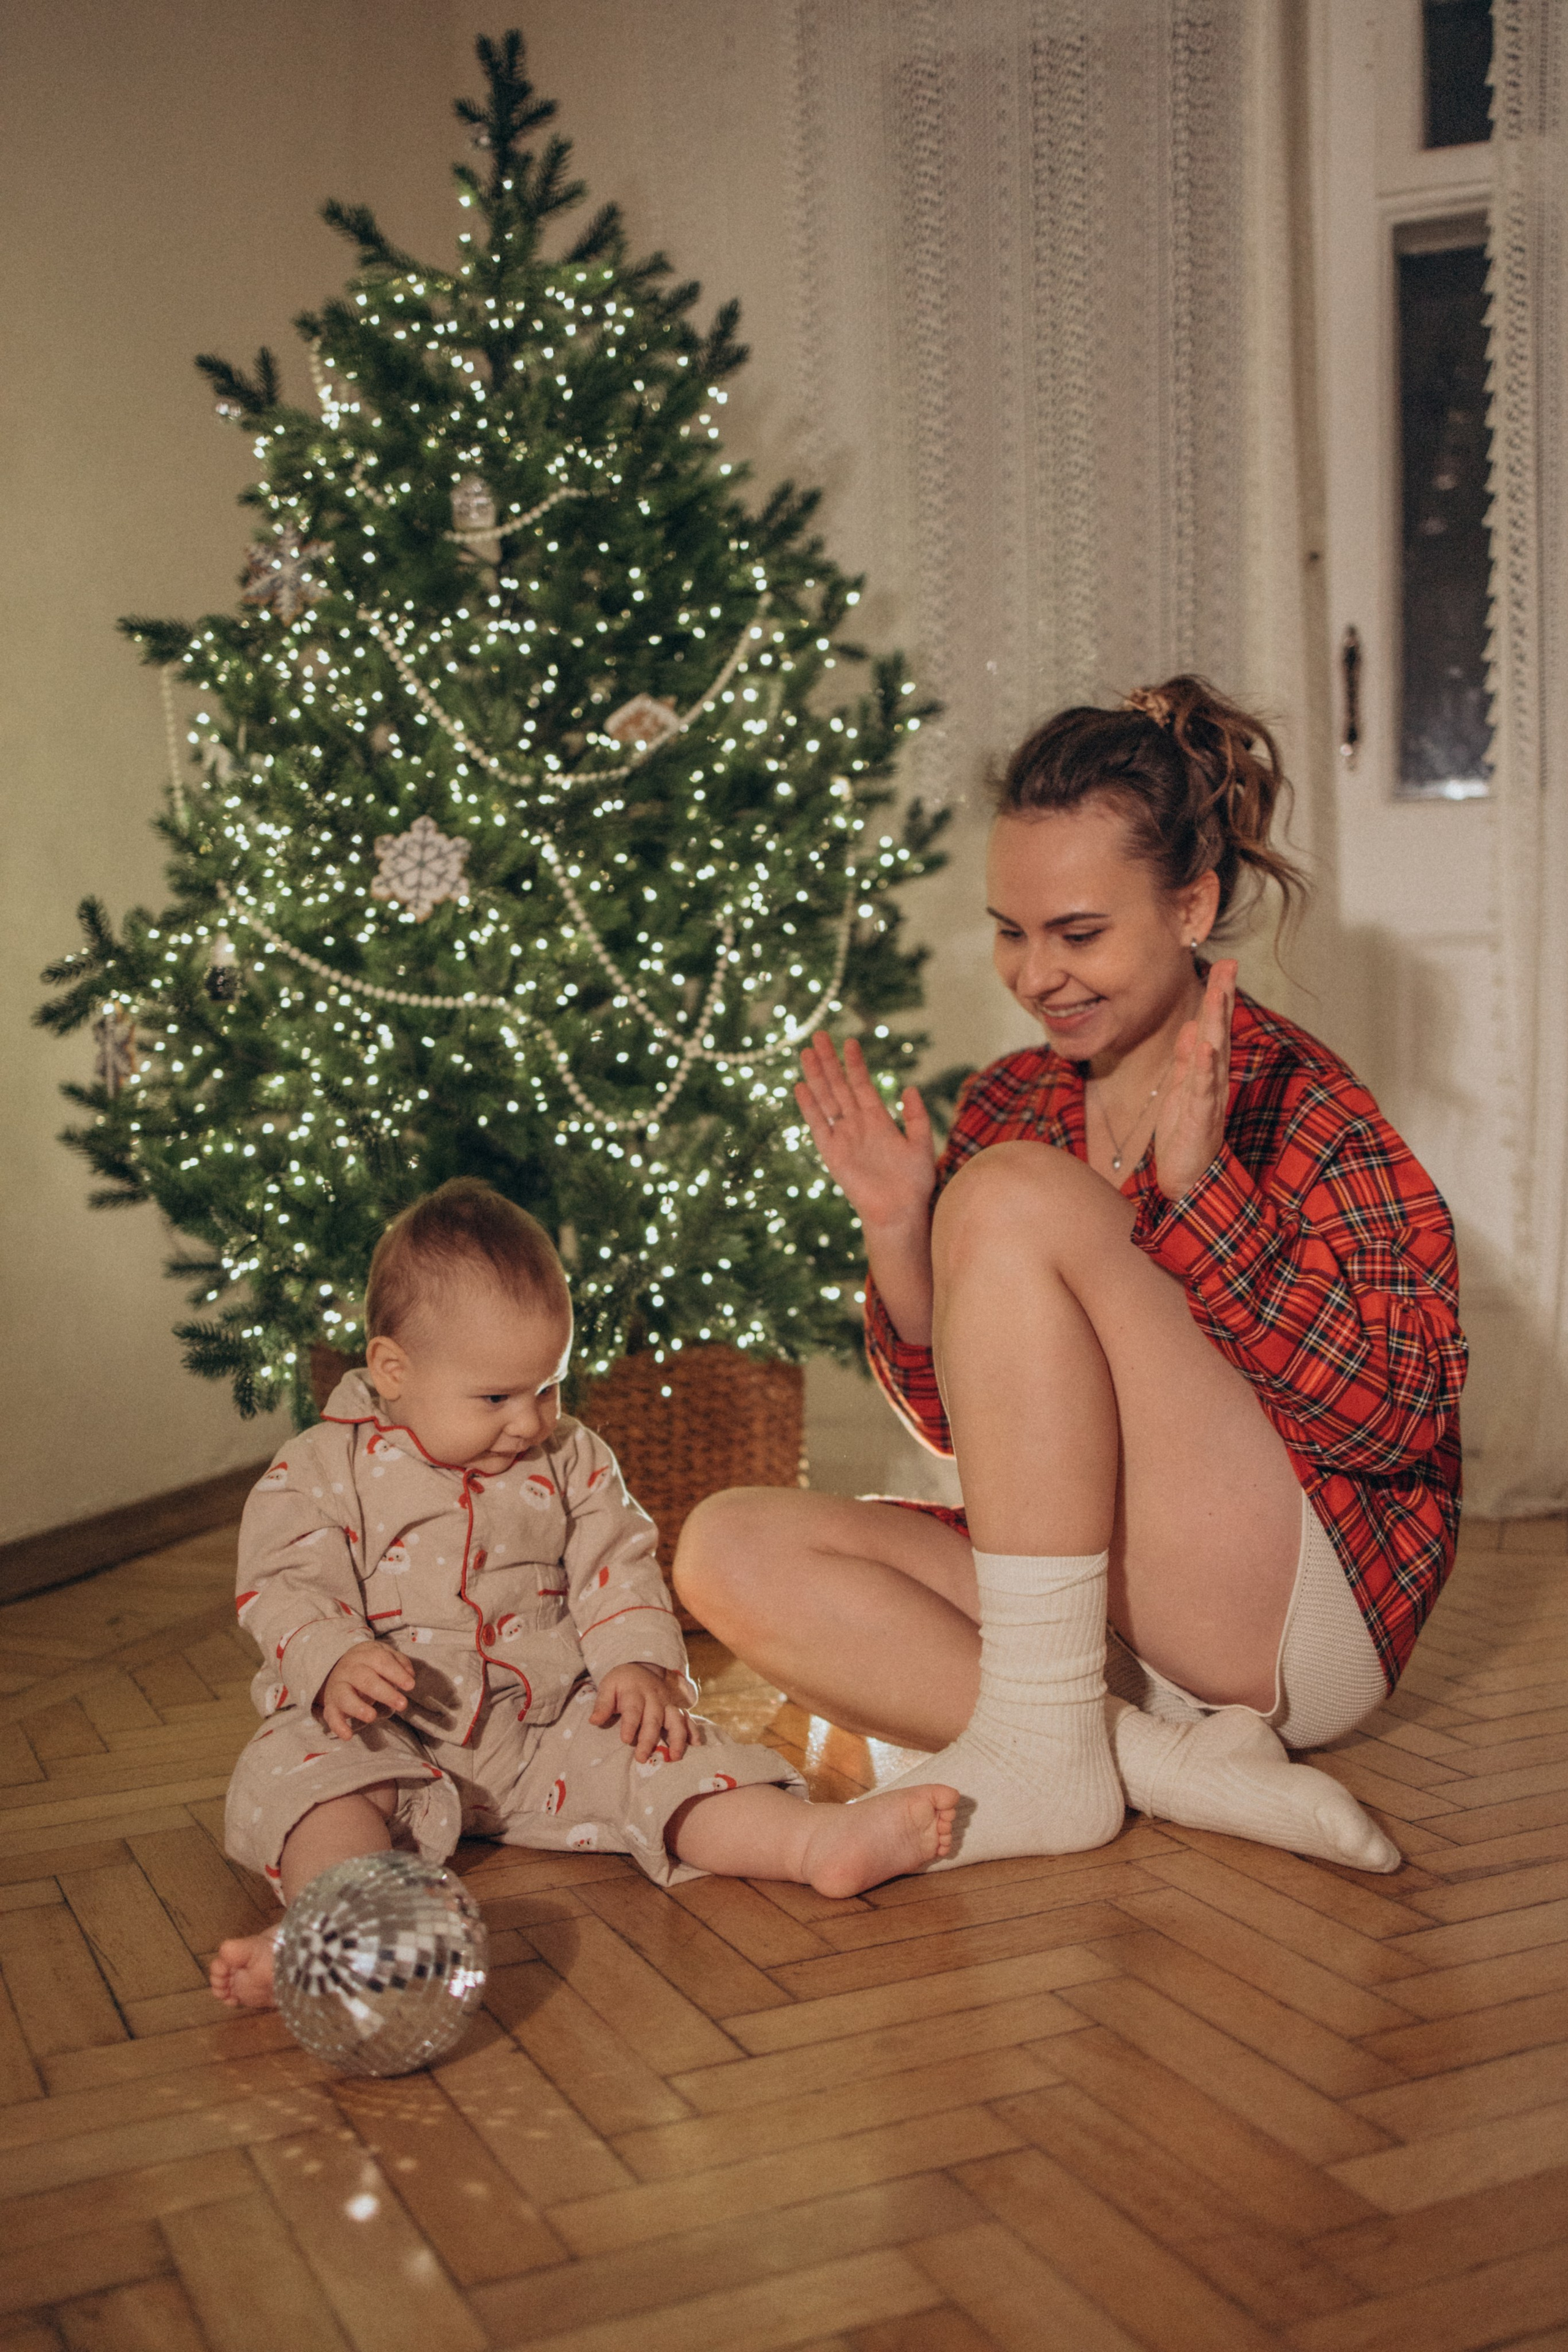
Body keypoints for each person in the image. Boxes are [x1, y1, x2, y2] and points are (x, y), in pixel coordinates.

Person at [674, 677, 1467, 1875]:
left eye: (1078, 933)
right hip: (1095, 1622)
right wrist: (898, 1229)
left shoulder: (1303, 1101)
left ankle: (1049, 1743)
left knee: (1007, 1190)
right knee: (723, 1548)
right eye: (1011, 931)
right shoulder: (1014, 1098)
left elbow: (1399, 1421)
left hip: (1286, 1620)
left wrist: (1207, 1198)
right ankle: (1151, 1762)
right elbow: (977, 1434)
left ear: (1190, 906)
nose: (1037, 975)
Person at [211, 1180, 956, 2008]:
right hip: (387, 1729)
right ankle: (332, 1928)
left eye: (549, 1386)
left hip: (546, 1728)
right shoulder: (321, 1467)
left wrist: (636, 1664)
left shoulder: (572, 1459)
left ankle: (814, 1843)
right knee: (311, 1773)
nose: (530, 1422)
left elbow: (617, 1566)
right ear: (393, 1370)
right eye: (496, 1398)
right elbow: (284, 1581)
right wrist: (333, 1657)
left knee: (665, 1754)